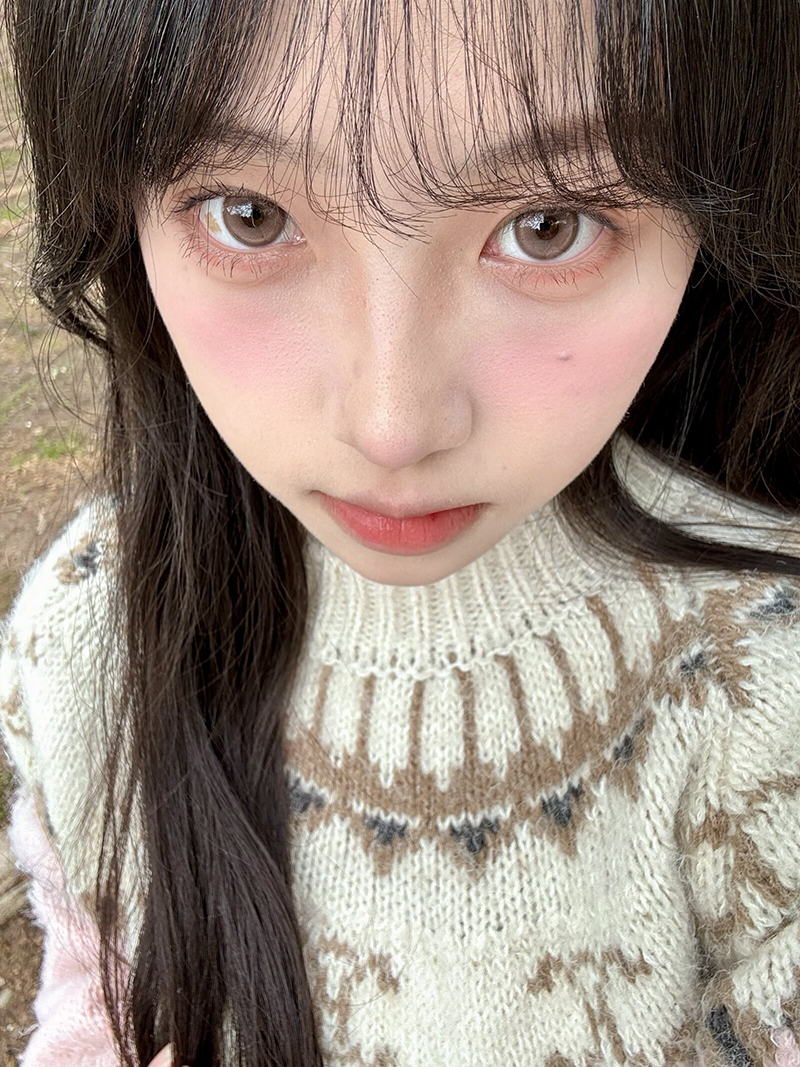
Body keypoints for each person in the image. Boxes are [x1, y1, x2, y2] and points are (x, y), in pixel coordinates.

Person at [0, 0, 799, 1063]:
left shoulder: (762, 683)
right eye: (249, 215)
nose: (392, 425)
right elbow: (99, 997)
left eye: (548, 224)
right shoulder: (83, 638)